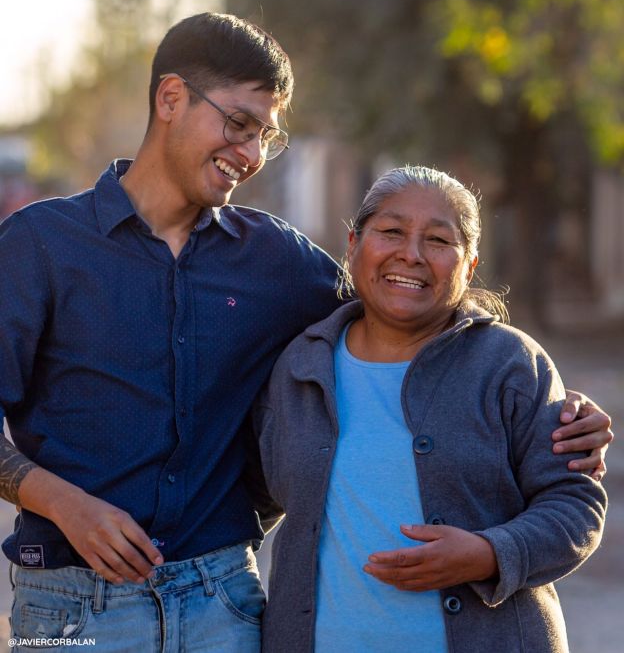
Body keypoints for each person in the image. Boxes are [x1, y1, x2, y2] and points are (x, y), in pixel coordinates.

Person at [0, 14, 611, 651]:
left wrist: (550, 406)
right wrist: (63, 502)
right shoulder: (40, 246)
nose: (251, 155)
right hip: (71, 608)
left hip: (224, 606)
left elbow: (409, 299)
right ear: (170, 98)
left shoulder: (278, 261)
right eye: (238, 124)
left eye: (266, 135)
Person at [253, 166, 608, 653]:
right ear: (354, 244)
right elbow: (256, 496)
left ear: (469, 264)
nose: (412, 254)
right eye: (392, 231)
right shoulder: (298, 366)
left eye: (439, 240)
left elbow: (575, 507)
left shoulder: (511, 365)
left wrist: (489, 555)